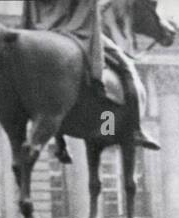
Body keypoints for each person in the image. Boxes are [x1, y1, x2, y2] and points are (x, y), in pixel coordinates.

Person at [22, 0, 160, 150]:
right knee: (126, 68)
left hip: (43, 30)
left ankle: (60, 142)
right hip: (78, 29)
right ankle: (134, 130)